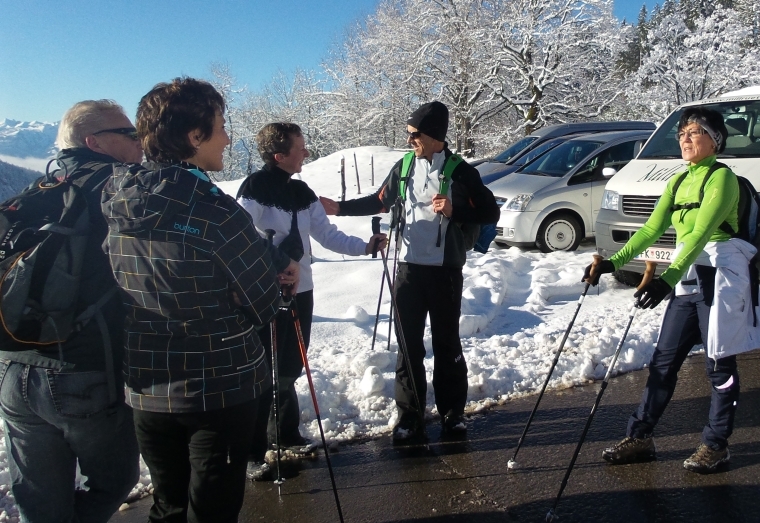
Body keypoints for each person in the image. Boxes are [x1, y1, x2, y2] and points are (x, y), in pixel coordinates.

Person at [101, 78, 299, 523]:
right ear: (194, 137)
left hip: (146, 387)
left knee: (168, 506)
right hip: (218, 387)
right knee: (211, 512)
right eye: (221, 126)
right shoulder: (213, 209)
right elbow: (265, 302)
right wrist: (235, 294)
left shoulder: (116, 198)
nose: (228, 137)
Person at [584, 107, 760, 473]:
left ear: (714, 139)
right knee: (663, 362)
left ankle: (716, 444)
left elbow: (702, 233)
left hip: (720, 277)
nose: (684, 139)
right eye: (682, 133)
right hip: (689, 275)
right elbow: (651, 230)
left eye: (693, 132)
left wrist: (667, 280)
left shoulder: (723, 180)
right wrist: (614, 262)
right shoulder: (677, 181)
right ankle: (640, 437)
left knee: (719, 367)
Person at [320, 101, 499, 442]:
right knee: (408, 346)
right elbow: (380, 201)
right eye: (408, 134)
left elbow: (491, 212)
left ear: (434, 136)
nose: (409, 140)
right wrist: (340, 208)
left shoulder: (461, 172)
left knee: (447, 344)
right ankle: (409, 417)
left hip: (445, 271)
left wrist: (454, 208)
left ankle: (452, 414)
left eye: (414, 134)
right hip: (408, 271)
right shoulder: (404, 166)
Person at [0, 100, 142, 523]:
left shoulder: (34, 193)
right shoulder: (120, 189)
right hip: (82, 368)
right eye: (128, 134)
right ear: (93, 142)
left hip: (11, 367)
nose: (140, 140)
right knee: (115, 481)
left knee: (40, 501)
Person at [237, 122, 387, 477]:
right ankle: (252, 451)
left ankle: (285, 435)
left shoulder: (302, 191)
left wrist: (363, 247)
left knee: (289, 366)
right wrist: (273, 264)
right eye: (300, 147)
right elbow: (239, 234)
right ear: (279, 155)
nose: (306, 152)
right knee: (263, 371)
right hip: (266, 293)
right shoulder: (254, 188)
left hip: (302, 291)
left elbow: (326, 234)